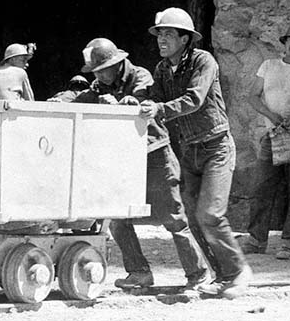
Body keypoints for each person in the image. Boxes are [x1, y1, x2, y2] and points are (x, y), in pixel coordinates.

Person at [72, 37, 209, 291]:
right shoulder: (100, 85)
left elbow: (140, 98)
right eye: (95, 72)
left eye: (102, 70)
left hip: (155, 154)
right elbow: (85, 96)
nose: (99, 76)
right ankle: (139, 272)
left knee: (173, 218)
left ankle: (197, 274)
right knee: (117, 217)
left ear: (117, 63)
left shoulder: (140, 75)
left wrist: (128, 103)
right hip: (124, 159)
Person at [139, 8, 252, 299]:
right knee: (193, 215)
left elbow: (194, 99)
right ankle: (221, 275)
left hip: (216, 147)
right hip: (190, 150)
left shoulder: (204, 61)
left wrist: (159, 109)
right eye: (159, 34)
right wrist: (137, 100)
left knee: (210, 213)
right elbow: (156, 98)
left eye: (168, 34)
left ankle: (238, 272)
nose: (161, 40)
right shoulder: (163, 69)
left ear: (185, 38)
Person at [244, 22, 290, 260]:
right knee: (261, 186)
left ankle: (289, 241)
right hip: (273, 134)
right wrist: (272, 117)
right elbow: (253, 97)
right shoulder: (269, 66)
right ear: (283, 43)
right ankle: (256, 239)